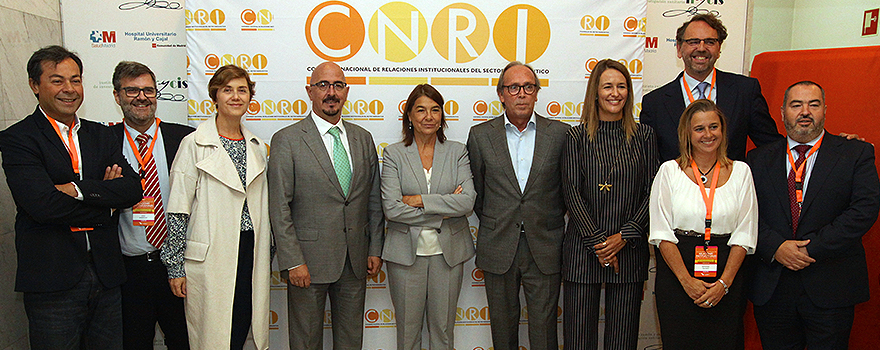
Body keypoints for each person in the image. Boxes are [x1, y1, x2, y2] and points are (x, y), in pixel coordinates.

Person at [0, 45, 142, 349]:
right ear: (35, 85)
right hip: (53, 281)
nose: (69, 89)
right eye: (57, 80)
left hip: (106, 276)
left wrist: (77, 190)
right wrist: (107, 208)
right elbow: (42, 206)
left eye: (75, 80)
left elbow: (132, 189)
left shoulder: (102, 134)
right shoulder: (18, 139)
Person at [747, 81, 879, 349]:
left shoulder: (856, 153)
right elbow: (745, 213)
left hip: (832, 284)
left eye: (813, 104)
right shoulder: (756, 159)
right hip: (773, 286)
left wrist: (811, 249)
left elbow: (864, 209)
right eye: (796, 105)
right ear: (782, 112)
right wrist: (777, 247)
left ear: (825, 110)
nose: (805, 111)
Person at [268, 61, 384, 350]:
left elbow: (373, 199)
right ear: (309, 91)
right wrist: (293, 260)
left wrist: (374, 249)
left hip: (355, 261)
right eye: (323, 85)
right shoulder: (287, 140)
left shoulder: (363, 139)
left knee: (350, 341)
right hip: (307, 262)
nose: (331, 92)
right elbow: (279, 206)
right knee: (306, 342)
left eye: (338, 85)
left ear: (346, 91)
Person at [160, 64, 271, 349]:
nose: (235, 97)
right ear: (215, 96)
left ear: (250, 98)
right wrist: (175, 266)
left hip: (249, 251)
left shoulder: (258, 146)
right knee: (213, 334)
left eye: (242, 90)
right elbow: (177, 208)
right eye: (227, 90)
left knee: (242, 324)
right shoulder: (194, 144)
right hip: (211, 256)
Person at [467, 61, 570, 350]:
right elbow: (478, 194)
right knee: (502, 330)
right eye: (514, 87)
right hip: (498, 245)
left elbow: (566, 190)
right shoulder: (480, 135)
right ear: (501, 94)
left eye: (528, 87)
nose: (521, 94)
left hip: (546, 245)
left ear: (537, 93)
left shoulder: (561, 134)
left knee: (544, 331)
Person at [561, 59, 658, 349]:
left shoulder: (645, 136)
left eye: (621, 86)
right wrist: (599, 243)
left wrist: (623, 237)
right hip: (582, 252)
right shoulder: (575, 137)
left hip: (629, 252)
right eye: (607, 86)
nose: (615, 93)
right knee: (579, 341)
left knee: (622, 341)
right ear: (595, 92)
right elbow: (571, 193)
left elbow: (653, 193)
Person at [648, 99, 757, 350]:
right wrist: (687, 281)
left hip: (727, 274)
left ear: (723, 130)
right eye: (699, 129)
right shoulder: (669, 172)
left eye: (713, 127)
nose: (708, 134)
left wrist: (723, 284)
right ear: (687, 133)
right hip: (678, 275)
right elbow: (661, 232)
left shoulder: (741, 172)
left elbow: (745, 233)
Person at [381, 84, 476, 350]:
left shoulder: (457, 151)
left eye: (435, 110)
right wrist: (444, 208)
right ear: (409, 115)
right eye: (421, 110)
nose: (428, 116)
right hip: (405, 257)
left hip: (448, 255)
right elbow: (392, 209)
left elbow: (467, 201)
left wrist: (420, 201)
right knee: (407, 336)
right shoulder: (394, 154)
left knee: (442, 334)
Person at [108, 61, 192, 350]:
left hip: (179, 267)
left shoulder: (185, 139)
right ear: (117, 96)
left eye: (148, 90)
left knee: (184, 341)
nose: (141, 97)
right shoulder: (104, 143)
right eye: (131, 90)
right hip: (129, 271)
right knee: (135, 342)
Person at [640, 14, 782, 162]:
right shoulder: (655, 103)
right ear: (679, 49)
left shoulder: (745, 91)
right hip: (676, 184)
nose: (701, 48)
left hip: (729, 183)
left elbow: (770, 146)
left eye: (709, 42)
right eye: (693, 41)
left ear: (719, 48)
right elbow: (647, 161)